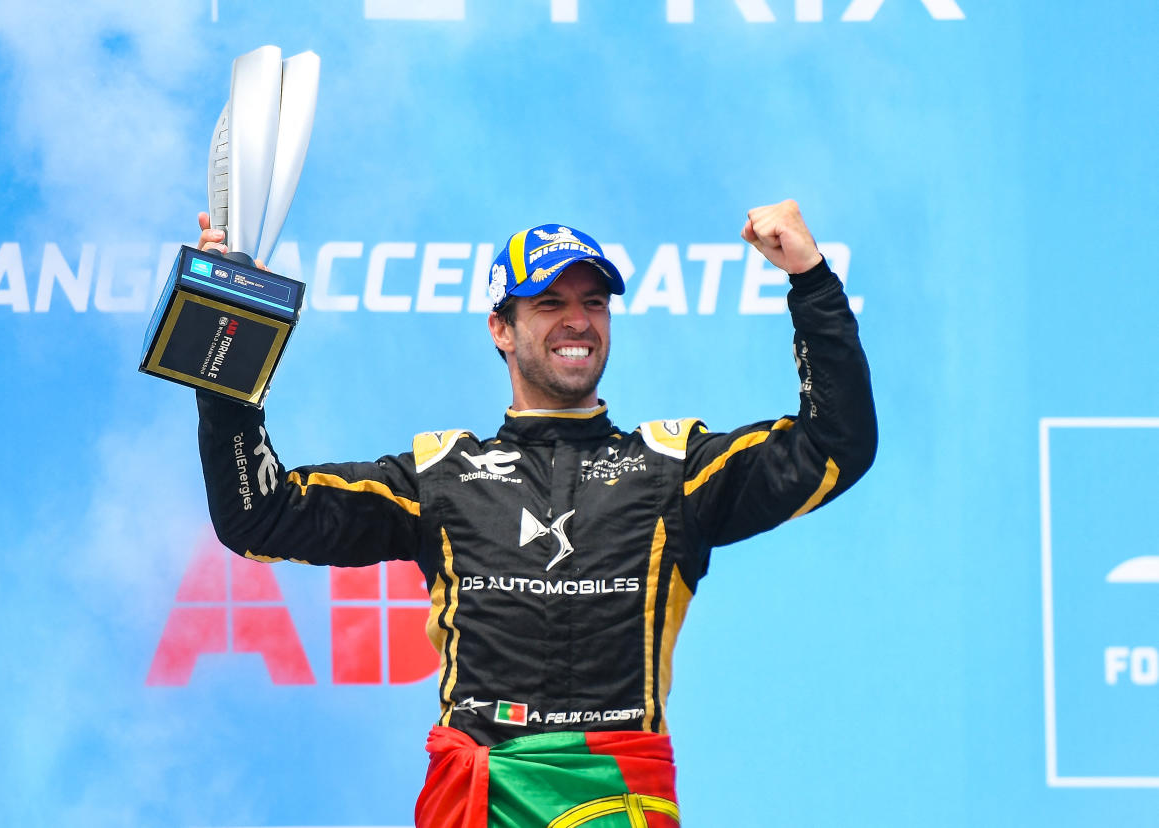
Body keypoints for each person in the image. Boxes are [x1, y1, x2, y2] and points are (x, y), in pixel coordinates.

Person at [193, 200, 877, 827]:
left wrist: (811, 280)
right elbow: (261, 516)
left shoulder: (675, 468)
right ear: (501, 328)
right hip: (478, 800)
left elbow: (835, 446)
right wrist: (230, 333)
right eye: (549, 302)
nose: (577, 320)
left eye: (594, 301)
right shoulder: (440, 476)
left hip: (616, 799)